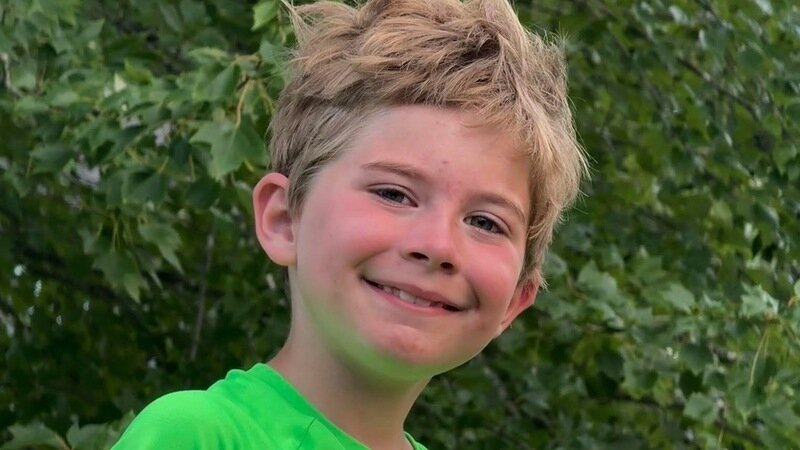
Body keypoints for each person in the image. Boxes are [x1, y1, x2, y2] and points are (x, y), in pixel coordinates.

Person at [112, 0, 587, 448]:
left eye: (485, 222)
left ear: (517, 298)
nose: (438, 245)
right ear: (284, 220)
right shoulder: (198, 435)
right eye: (393, 194)